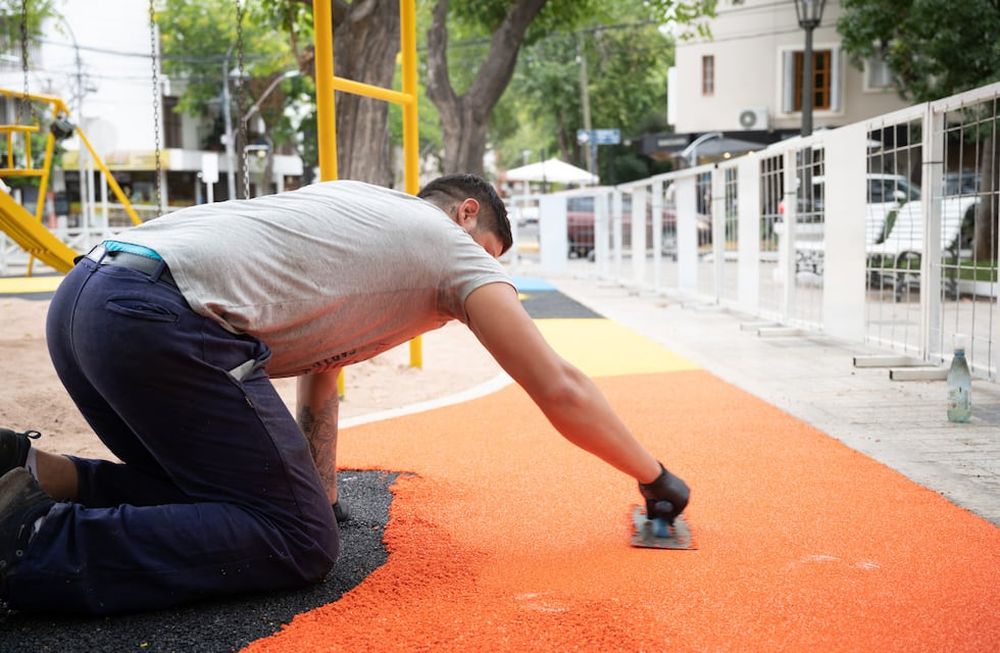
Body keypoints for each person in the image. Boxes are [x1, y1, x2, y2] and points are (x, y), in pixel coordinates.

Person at [0, 174, 689, 615]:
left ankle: (34, 476)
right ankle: (30, 544)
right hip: (157, 320)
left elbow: (321, 371)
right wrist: (653, 476)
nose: (481, 285)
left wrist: (318, 491)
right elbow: (559, 385)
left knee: (208, 497)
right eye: (490, 255)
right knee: (300, 541)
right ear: (468, 215)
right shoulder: (451, 249)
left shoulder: (359, 205)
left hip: (85, 300)